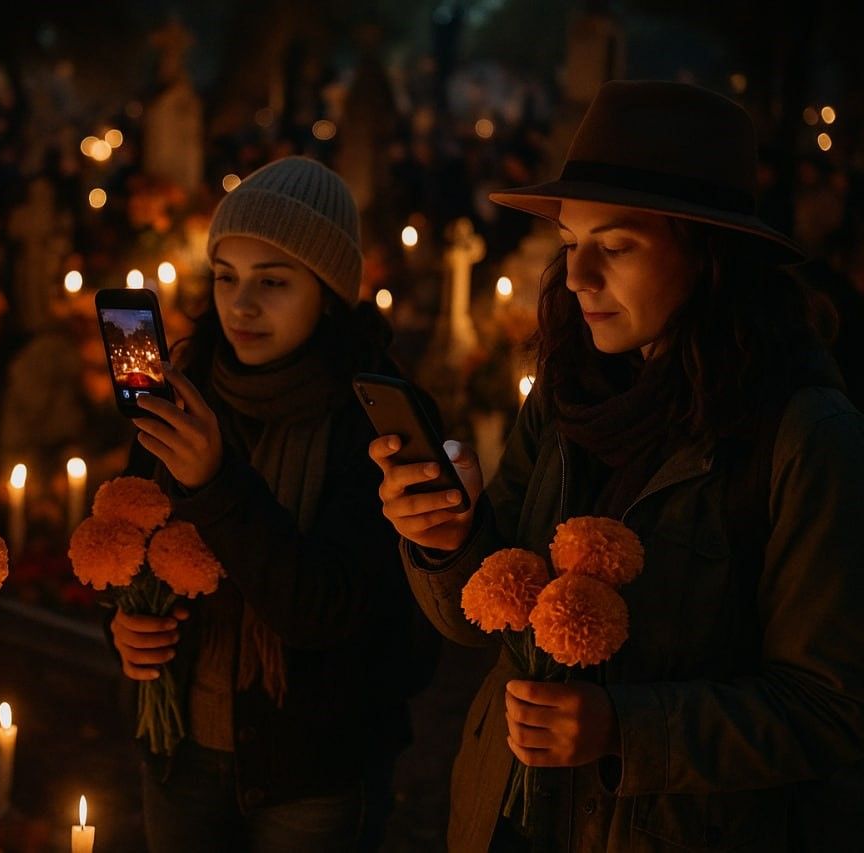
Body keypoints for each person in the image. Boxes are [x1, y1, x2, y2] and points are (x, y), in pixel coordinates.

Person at [370, 80, 864, 852]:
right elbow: (482, 620)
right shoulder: (570, 388)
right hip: (506, 820)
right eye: (571, 243)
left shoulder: (802, 435)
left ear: (709, 254)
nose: (577, 276)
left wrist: (625, 730)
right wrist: (448, 537)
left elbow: (832, 710)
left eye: (618, 244)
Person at [110, 156, 436, 851]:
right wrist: (130, 625)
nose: (242, 305)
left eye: (274, 282)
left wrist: (216, 480)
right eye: (226, 277)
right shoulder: (188, 386)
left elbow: (326, 609)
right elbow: (133, 536)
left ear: (328, 292)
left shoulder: (374, 419)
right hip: (181, 750)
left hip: (313, 771)